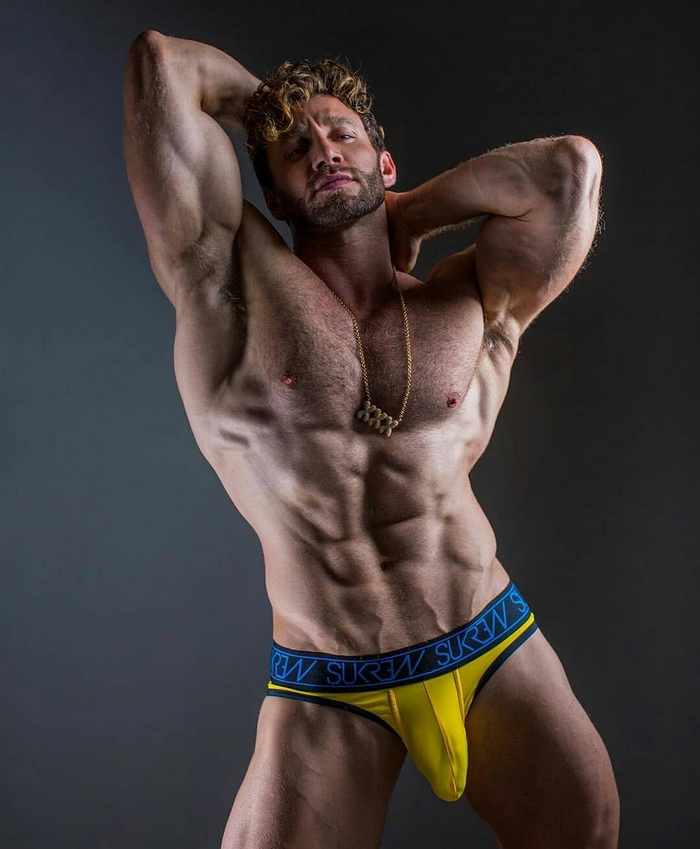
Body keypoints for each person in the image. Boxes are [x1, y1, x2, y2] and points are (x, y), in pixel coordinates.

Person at [123, 29, 620, 849]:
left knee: (587, 833)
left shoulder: (469, 301)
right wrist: (274, 113)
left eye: (343, 134)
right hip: (332, 678)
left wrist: (408, 212)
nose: (323, 148)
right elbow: (160, 62)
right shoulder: (224, 282)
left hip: (489, 640)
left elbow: (569, 170)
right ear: (272, 193)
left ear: (384, 163)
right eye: (296, 149)